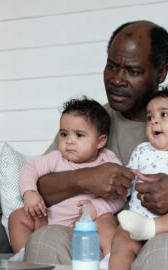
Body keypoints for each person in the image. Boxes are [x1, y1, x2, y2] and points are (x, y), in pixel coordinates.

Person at [24, 20, 168, 270]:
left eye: (132, 70)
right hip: (103, 240)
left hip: (165, 239)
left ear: (160, 73)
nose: (117, 79)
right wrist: (85, 179)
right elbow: (41, 187)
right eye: (112, 66)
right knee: (46, 237)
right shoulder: (89, 122)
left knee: (165, 246)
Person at [8, 98, 125, 260]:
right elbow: (30, 169)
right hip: (49, 218)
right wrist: (29, 192)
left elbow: (121, 195)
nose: (69, 141)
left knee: (107, 221)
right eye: (64, 134)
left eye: (79, 135)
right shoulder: (56, 158)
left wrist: (97, 208)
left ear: (100, 141)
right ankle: (24, 253)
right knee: (17, 217)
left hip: (88, 223)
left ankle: (108, 258)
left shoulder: (108, 161)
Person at [109, 83, 168, 270]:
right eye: (149, 117)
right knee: (120, 241)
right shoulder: (142, 151)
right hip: (136, 220)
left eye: (163, 114)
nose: (153, 121)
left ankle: (151, 228)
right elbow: (126, 183)